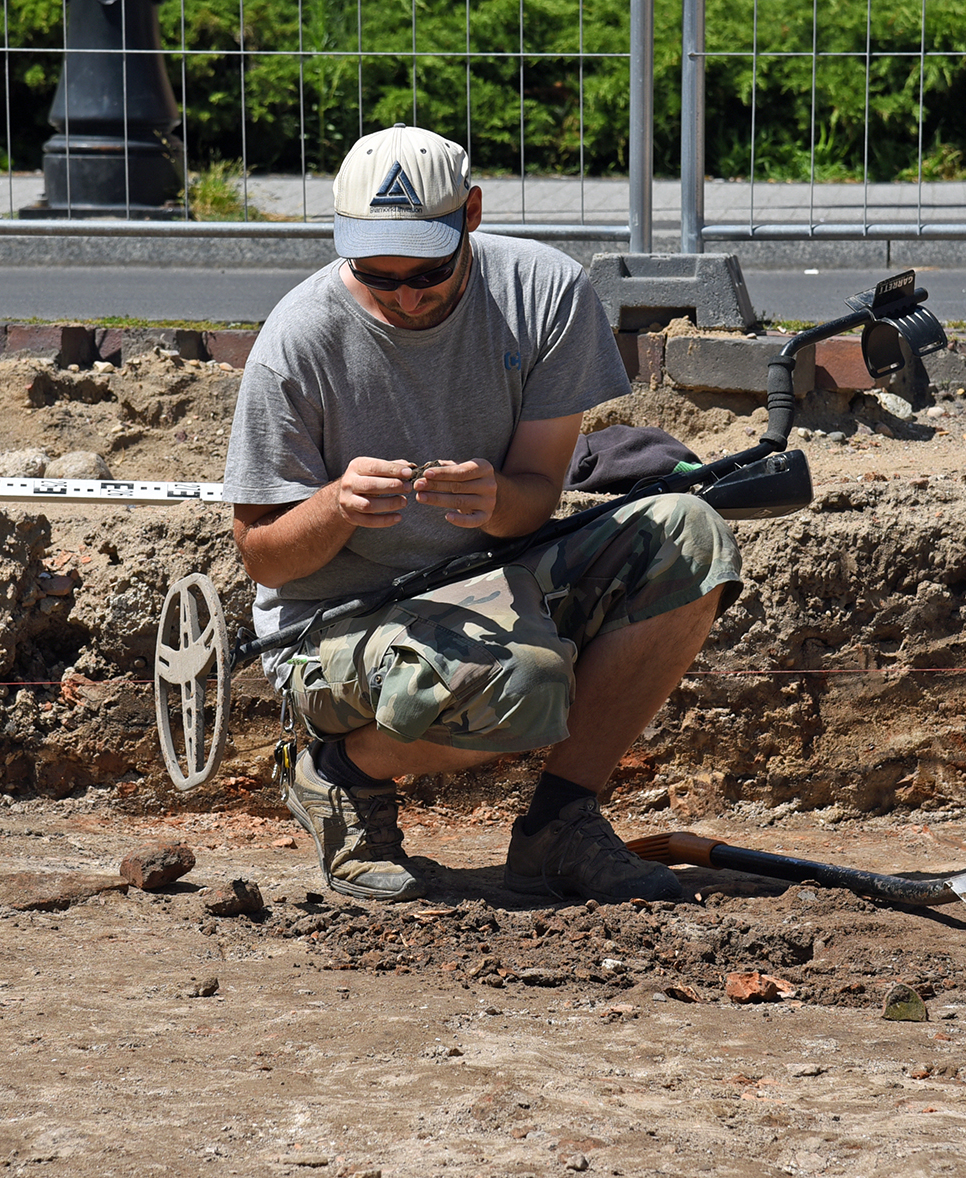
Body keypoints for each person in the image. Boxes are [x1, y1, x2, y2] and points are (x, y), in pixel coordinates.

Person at [221, 123, 742, 904]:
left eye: (427, 271)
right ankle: (337, 773)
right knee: (522, 685)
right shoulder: (297, 341)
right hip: (332, 619)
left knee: (690, 537)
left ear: (470, 214)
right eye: (377, 273)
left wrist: (499, 501)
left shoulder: (543, 293)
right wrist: (334, 508)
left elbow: (538, 495)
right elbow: (261, 555)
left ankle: (560, 827)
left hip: (490, 575)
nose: (405, 295)